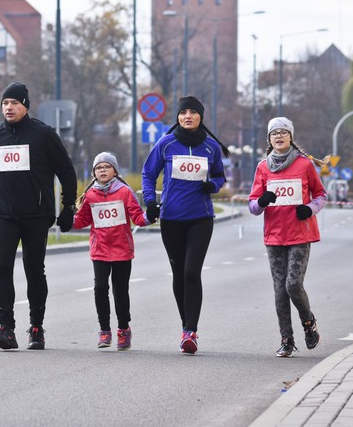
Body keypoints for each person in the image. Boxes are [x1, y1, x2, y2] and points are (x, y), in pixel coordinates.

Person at [0, 82, 77, 350]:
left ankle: (36, 327)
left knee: (34, 270)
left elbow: (66, 170)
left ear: (25, 106)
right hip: (3, 213)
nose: (9, 108)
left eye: (14, 103)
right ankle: (6, 329)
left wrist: (68, 207)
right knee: (2, 268)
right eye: (5, 104)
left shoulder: (43, 134)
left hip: (36, 214)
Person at [141, 96, 229, 354]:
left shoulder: (211, 147)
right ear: (177, 117)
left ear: (200, 116)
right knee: (179, 274)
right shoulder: (166, 143)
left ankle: (191, 331)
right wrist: (149, 201)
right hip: (171, 219)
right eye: (183, 112)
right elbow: (148, 173)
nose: (187, 116)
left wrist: (211, 186)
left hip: (200, 218)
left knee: (192, 272)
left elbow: (219, 176)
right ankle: (185, 327)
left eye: (192, 112)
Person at [248, 117, 328, 358]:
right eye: (274, 133)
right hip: (274, 236)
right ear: (269, 140)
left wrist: (310, 209)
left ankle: (308, 323)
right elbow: (252, 205)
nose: (279, 136)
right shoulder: (263, 167)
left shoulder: (304, 165)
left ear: (291, 137)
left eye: (284, 132)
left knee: (292, 284)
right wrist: (261, 202)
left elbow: (321, 195)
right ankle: (286, 339)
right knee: (279, 290)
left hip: (299, 234)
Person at [73, 152, 149, 350]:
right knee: (100, 289)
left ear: (115, 171)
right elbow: (82, 220)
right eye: (99, 168)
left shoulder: (124, 192)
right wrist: (66, 221)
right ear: (94, 173)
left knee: (120, 291)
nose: (103, 171)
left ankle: (123, 329)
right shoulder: (90, 195)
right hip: (100, 250)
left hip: (122, 249)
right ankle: (104, 331)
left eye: (107, 167)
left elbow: (138, 217)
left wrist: (152, 215)